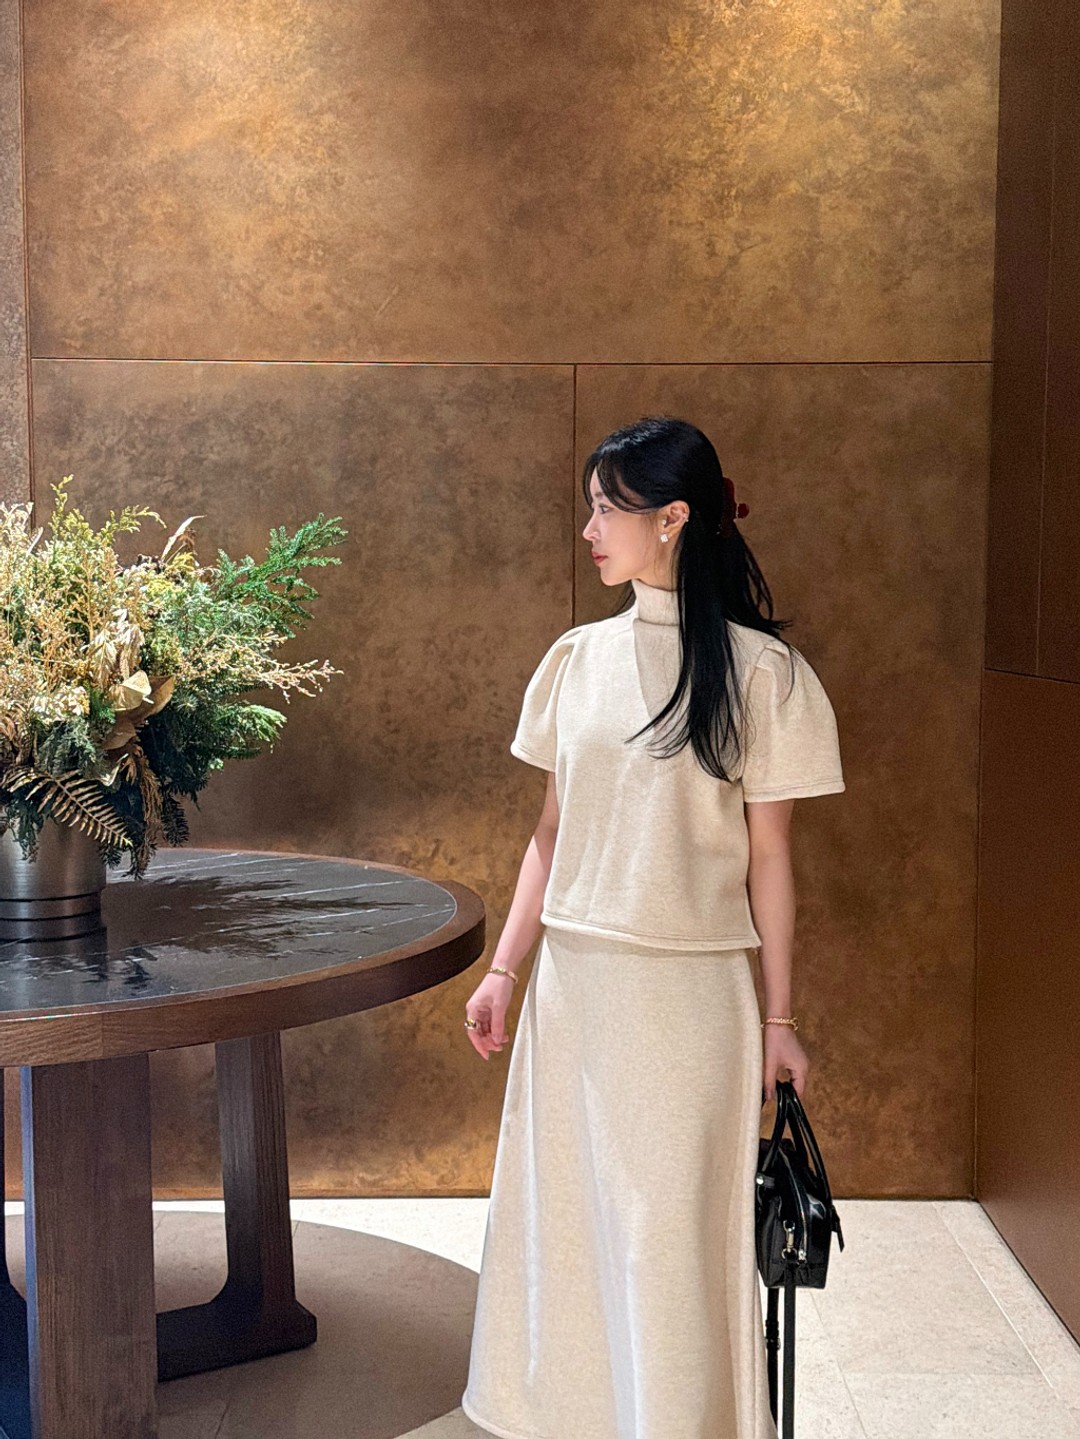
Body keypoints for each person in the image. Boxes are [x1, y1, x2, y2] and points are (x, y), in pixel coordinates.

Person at [460, 415, 845, 1439]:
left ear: (671, 518)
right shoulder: (574, 660)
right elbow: (550, 832)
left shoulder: (764, 675)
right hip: (576, 990)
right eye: (590, 507)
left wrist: (779, 1020)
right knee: (567, 1225)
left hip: (690, 1002)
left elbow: (771, 861)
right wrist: (505, 968)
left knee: (668, 1240)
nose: (589, 529)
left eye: (606, 508)